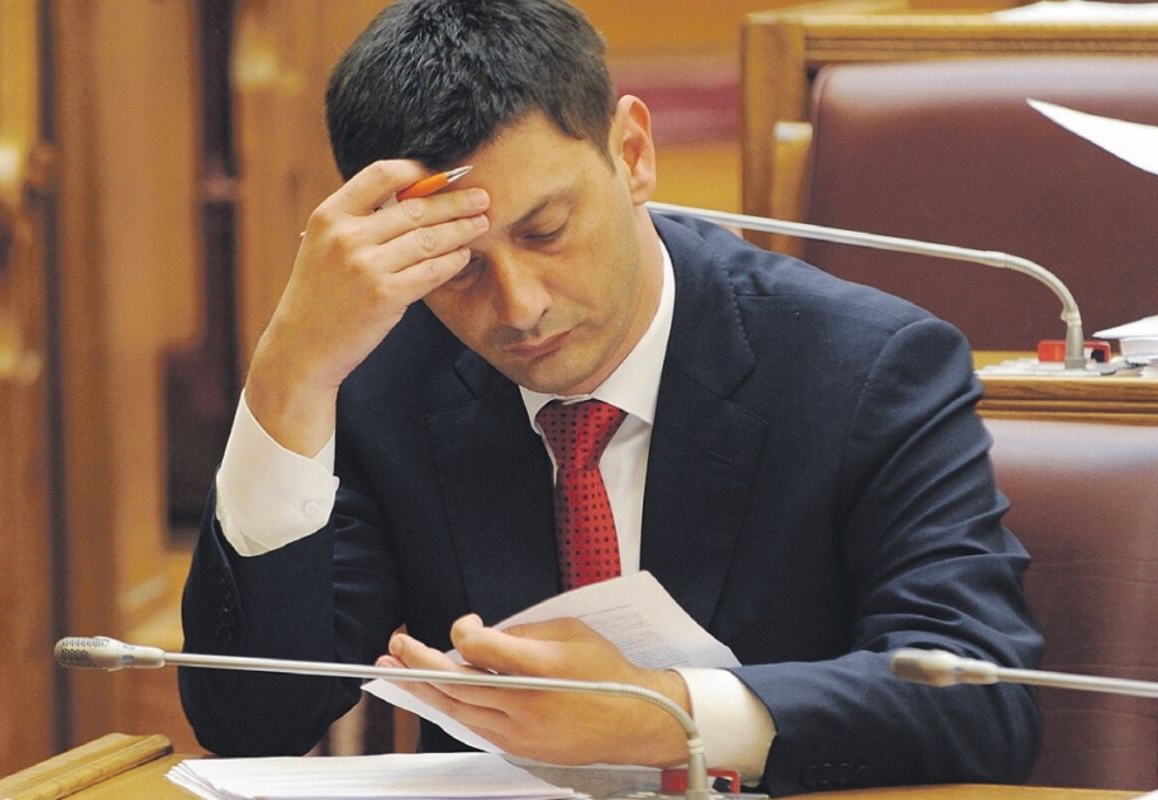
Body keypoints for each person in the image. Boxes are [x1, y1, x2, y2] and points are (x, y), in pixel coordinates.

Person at [179, 0, 1044, 794]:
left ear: (632, 154)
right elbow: (255, 720)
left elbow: (982, 699)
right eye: (458, 266)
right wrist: (287, 377)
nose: (519, 307)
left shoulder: (865, 367)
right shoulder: (380, 376)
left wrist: (669, 716)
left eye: (546, 231)